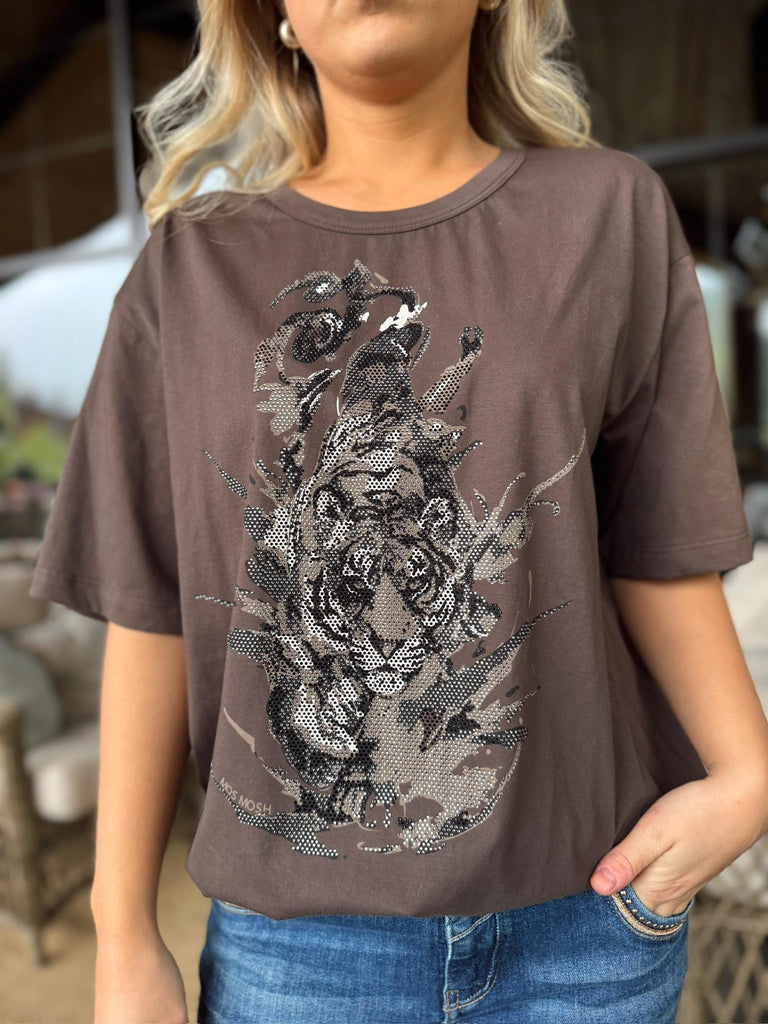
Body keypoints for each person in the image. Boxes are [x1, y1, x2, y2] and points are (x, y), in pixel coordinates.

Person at [28, 0, 768, 1022]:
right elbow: (149, 605)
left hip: (584, 925)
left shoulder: (606, 212)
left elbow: (657, 541)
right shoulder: (187, 266)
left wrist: (748, 776)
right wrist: (120, 935)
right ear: (275, 17)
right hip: (299, 959)